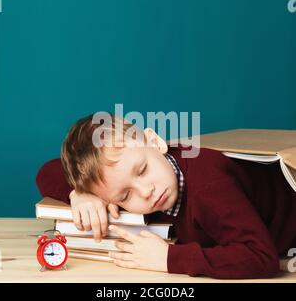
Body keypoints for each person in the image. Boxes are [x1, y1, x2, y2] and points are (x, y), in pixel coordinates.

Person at [36, 113, 296, 279]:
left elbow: (262, 257)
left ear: (156, 142)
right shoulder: (145, 173)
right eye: (125, 195)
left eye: (143, 170)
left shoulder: (209, 188)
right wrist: (80, 194)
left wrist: (169, 259)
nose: (145, 191)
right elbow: (47, 171)